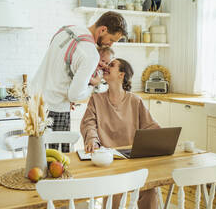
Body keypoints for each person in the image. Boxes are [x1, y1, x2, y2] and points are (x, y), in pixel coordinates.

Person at [31, 12, 127, 152]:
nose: (110, 44)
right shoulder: (90, 53)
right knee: (58, 162)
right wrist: (93, 85)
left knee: (37, 158)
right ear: (103, 30)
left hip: (35, 104)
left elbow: (59, 68)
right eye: (111, 40)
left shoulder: (66, 30)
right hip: (56, 109)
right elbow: (74, 96)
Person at [80, 58, 160, 209]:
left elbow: (151, 126)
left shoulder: (135, 101)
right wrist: (92, 139)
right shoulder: (96, 99)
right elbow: (89, 123)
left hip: (133, 158)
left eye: (111, 65)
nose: (106, 67)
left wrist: (162, 139)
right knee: (114, 190)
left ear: (121, 75)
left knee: (149, 187)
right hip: (107, 160)